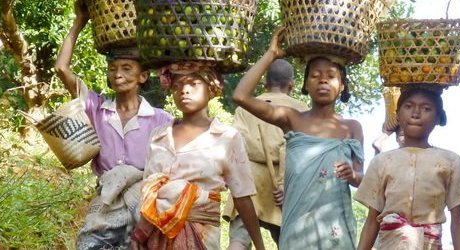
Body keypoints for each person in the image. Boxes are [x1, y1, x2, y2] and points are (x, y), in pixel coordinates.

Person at [232, 27, 365, 249]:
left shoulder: (351, 127)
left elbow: (362, 179)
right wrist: (270, 55)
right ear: (304, 85)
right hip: (297, 229)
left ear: (342, 85)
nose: (323, 81)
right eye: (315, 76)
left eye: (331, 76)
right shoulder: (290, 119)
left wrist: (352, 174)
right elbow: (240, 96)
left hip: (336, 231)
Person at [54, 2, 172, 249]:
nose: (117, 74)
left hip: (145, 206)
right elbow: (61, 68)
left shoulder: (161, 119)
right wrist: (79, 21)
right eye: (113, 69)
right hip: (106, 203)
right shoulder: (97, 109)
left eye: (127, 68)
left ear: (143, 76)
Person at [132, 67, 265, 250]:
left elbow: (242, 197)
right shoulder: (158, 136)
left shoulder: (227, 138)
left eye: (193, 84)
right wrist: (139, 236)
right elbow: (149, 193)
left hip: (203, 237)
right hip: (155, 237)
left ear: (211, 88)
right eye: (177, 85)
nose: (184, 90)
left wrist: (260, 246)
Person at [355, 87, 460, 250]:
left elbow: (457, 220)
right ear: (397, 115)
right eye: (408, 106)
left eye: (426, 108)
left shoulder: (451, 161)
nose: (415, 113)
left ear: (438, 117)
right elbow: (372, 220)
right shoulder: (382, 162)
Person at [224, 59, 309, 249]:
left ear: (265, 83)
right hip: (286, 184)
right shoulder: (302, 110)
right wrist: (286, 185)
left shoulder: (245, 108)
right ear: (291, 85)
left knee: (238, 240)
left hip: (249, 184)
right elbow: (300, 151)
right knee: (290, 244)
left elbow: (236, 144)